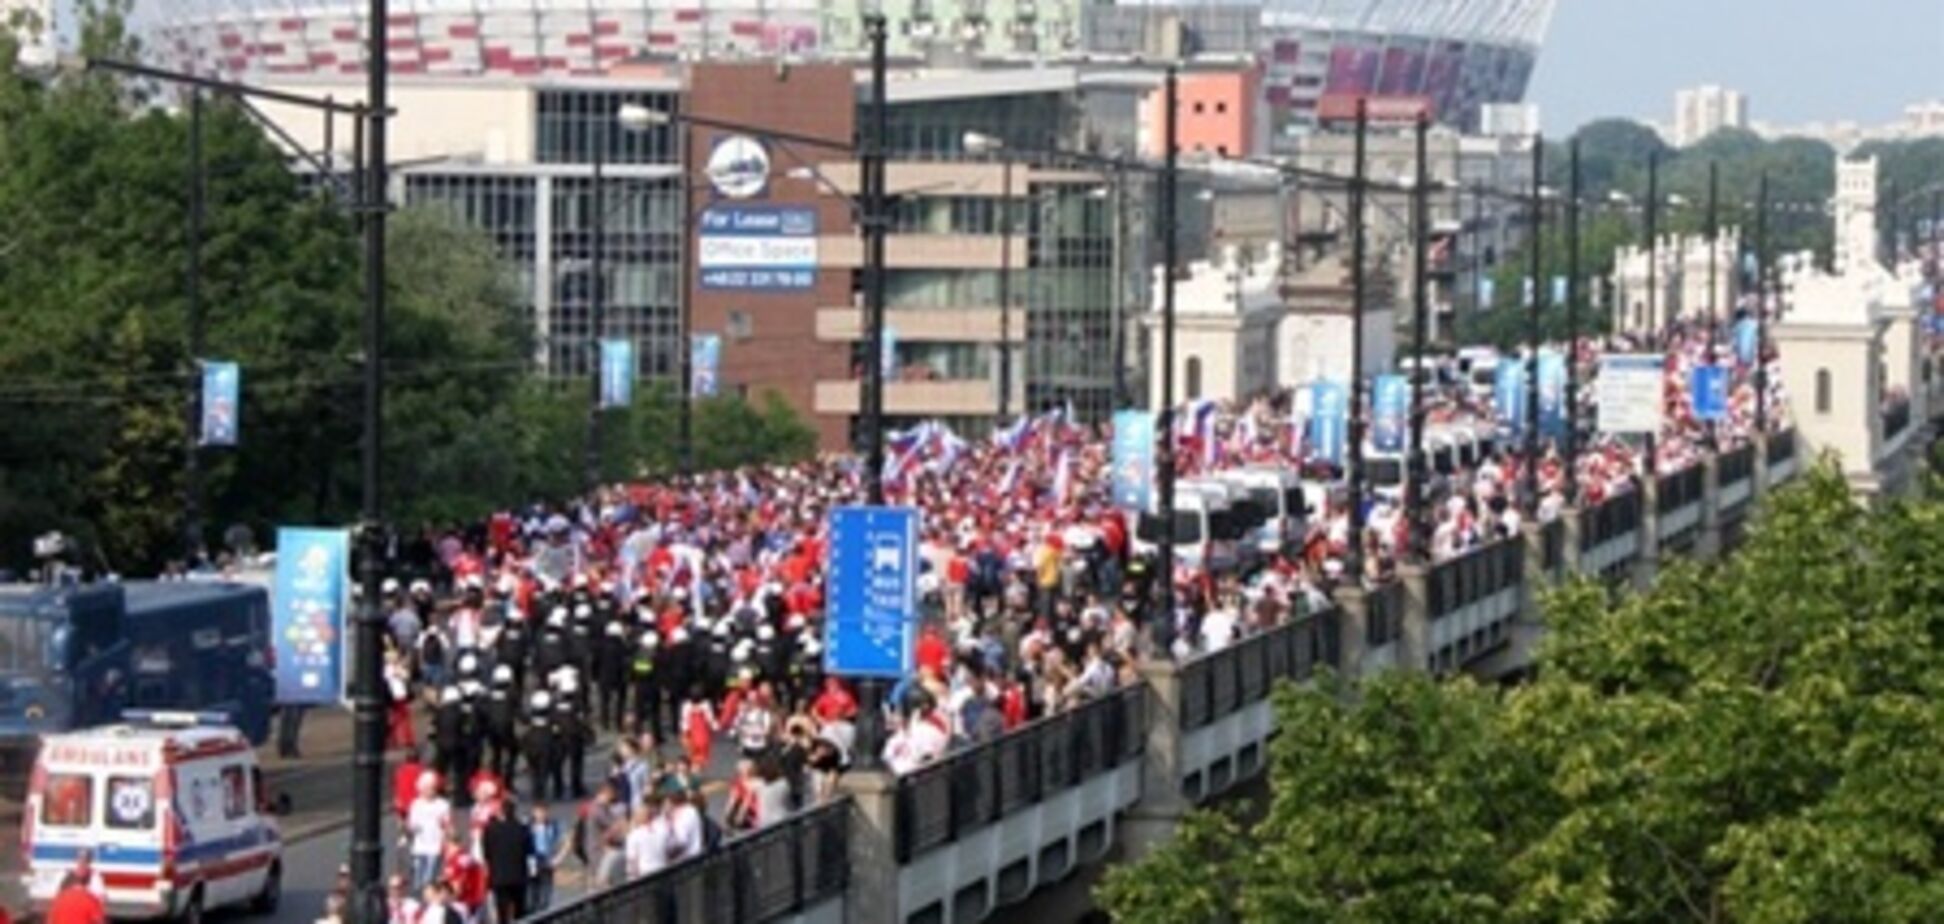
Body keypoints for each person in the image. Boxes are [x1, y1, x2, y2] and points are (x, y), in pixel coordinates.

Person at [481, 797, 533, 924]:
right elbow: (529, 850)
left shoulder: (491, 829)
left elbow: (486, 853)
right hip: (519, 875)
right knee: (520, 909)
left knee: (502, 911)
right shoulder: (522, 828)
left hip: (499, 876)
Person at [404, 772, 452, 892]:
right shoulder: (416, 804)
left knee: (429, 877)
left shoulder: (443, 804)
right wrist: (411, 829)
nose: (429, 791)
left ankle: (426, 898)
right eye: (426, 788)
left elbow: (447, 825)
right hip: (419, 845)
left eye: (432, 788)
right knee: (417, 876)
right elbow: (411, 823)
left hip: (435, 845)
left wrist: (446, 842)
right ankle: (417, 896)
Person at [526, 801, 568, 914]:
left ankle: (543, 914)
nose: (541, 815)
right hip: (532, 862)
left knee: (545, 895)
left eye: (544, 812)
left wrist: (559, 858)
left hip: (547, 861)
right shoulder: (527, 826)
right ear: (533, 812)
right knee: (531, 895)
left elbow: (566, 841)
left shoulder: (554, 825)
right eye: (538, 812)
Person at [624, 796, 671, 879]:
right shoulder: (661, 831)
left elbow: (632, 863)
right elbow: (667, 854)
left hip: (645, 877)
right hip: (663, 872)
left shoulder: (634, 835)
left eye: (635, 816)